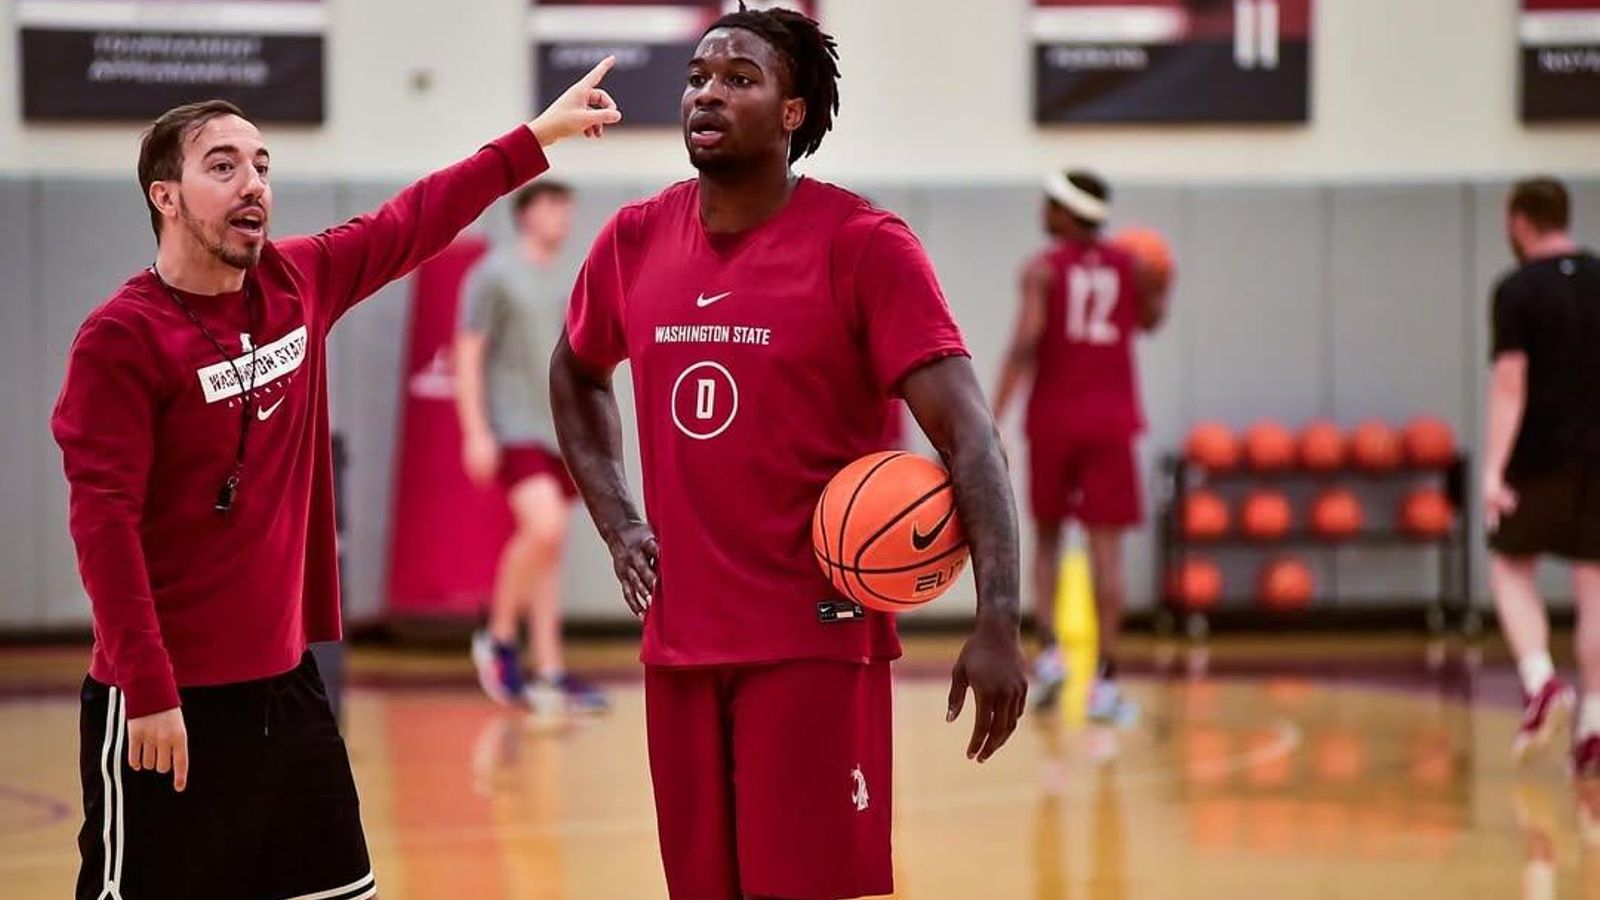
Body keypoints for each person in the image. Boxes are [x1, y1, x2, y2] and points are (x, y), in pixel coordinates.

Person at [51, 63, 620, 900]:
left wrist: (536, 138)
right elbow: (103, 529)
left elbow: (415, 217)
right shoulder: (120, 341)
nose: (254, 184)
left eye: (263, 165)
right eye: (223, 166)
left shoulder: (297, 281)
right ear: (164, 196)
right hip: (167, 705)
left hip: (291, 689)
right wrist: (147, 688)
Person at [548, 7, 1028, 899]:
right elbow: (575, 374)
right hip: (680, 644)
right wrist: (619, 524)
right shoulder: (636, 239)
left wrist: (998, 613)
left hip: (815, 645)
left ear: (794, 113)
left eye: (739, 79)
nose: (707, 94)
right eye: (697, 77)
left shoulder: (863, 247)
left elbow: (971, 437)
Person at [992, 169, 1168, 722]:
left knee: (1045, 540)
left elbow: (1025, 343)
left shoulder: (1042, 270)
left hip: (1054, 419)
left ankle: (1051, 659)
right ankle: (1106, 684)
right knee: (1106, 554)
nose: (1042, 211)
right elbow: (1149, 321)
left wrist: (990, 419)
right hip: (1113, 423)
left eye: (1050, 204)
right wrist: (1161, 286)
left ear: (1068, 213)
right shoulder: (1133, 264)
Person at [456, 181, 605, 714]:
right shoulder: (492, 274)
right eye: (553, 208)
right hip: (512, 423)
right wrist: (475, 430)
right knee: (543, 528)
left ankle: (550, 671)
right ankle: (497, 638)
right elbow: (469, 355)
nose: (563, 218)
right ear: (525, 214)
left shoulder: (571, 278)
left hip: (560, 428)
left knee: (551, 548)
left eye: (569, 209)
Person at [1483, 176, 1600, 777]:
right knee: (1595, 587)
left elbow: (1510, 383)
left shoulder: (1517, 290)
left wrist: (1494, 470)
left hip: (1541, 455)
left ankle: (1541, 681)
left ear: (1519, 221)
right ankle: (1597, 723)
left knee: (1508, 563)